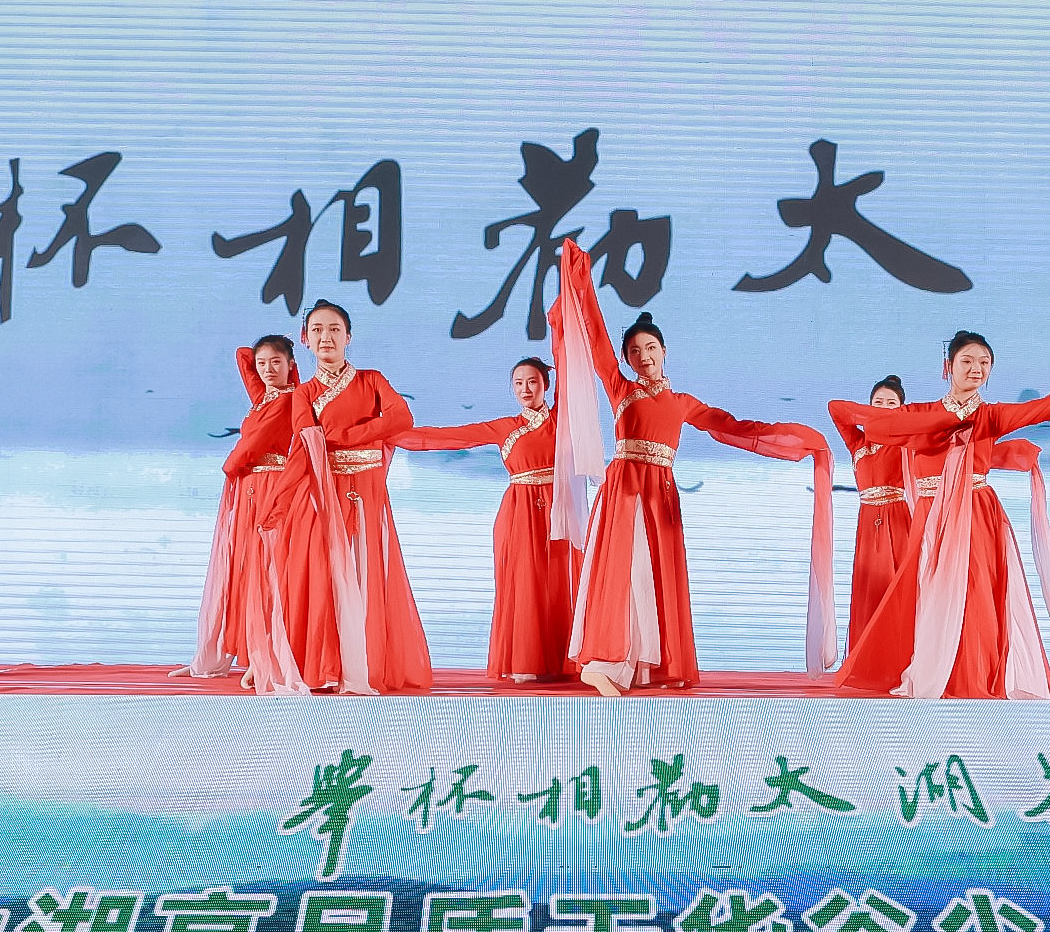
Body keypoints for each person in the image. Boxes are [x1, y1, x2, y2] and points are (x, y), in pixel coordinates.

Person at [549, 238, 833, 696]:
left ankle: (642, 667)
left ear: (665, 350)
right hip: (625, 487)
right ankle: (603, 661)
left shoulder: (683, 403)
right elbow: (596, 336)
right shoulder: (621, 389)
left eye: (650, 347)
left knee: (654, 576)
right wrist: (580, 278)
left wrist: (795, 441)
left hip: (661, 492)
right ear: (626, 359)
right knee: (622, 570)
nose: (643, 356)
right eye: (634, 351)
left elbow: (733, 427)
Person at [831, 335, 1050, 700]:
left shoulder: (992, 415)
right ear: (948, 367)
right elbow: (866, 422)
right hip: (931, 515)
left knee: (979, 596)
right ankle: (935, 671)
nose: (976, 369)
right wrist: (950, 418)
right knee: (929, 597)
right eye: (967, 361)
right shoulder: (917, 413)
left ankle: (977, 675)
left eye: (984, 363)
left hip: (977, 511)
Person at [247, 300, 433, 696]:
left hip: (365, 491)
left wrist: (343, 437)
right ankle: (323, 667)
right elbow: (305, 445)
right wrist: (279, 503)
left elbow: (401, 418)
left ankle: (361, 665)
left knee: (364, 571)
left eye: (334, 329)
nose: (325, 337)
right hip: (321, 493)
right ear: (305, 340)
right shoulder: (303, 394)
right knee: (322, 577)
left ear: (349, 336)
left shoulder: (372, 380)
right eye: (316, 330)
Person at [395, 357, 576, 683]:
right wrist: (391, 435)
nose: (525, 389)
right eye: (518, 383)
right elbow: (452, 437)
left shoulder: (561, 421)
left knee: (558, 582)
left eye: (532, 381)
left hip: (557, 510)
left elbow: (569, 372)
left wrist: (562, 333)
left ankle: (559, 662)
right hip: (519, 511)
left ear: (546, 385)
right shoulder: (505, 427)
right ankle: (525, 661)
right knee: (525, 582)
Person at [191, 335, 299, 681]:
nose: (267, 369)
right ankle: (252, 650)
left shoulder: (288, 400)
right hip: (251, 488)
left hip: (270, 486)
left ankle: (266, 653)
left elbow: (252, 444)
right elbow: (242, 356)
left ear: (291, 365)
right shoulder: (264, 398)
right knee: (246, 567)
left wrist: (230, 467)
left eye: (276, 362)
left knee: (268, 570)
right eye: (262, 363)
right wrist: (268, 357)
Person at [830, 377, 916, 656]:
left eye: (891, 403)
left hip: (899, 520)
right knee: (870, 590)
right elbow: (835, 408)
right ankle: (869, 657)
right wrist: (875, 417)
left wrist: (898, 419)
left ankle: (901, 657)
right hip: (868, 523)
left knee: (897, 589)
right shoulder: (858, 442)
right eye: (878, 402)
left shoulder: (908, 439)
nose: (883, 407)